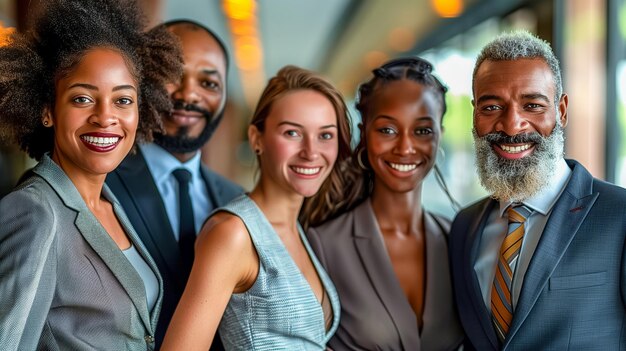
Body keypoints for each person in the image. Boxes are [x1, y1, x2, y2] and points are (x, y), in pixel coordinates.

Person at [0, 0, 182, 349]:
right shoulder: (34, 212)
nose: (105, 117)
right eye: (82, 99)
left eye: (123, 100)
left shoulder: (111, 205)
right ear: (47, 110)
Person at [449, 30, 626, 350]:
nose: (512, 125)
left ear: (561, 111)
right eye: (491, 107)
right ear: (474, 113)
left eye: (532, 105)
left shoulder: (620, 216)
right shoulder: (464, 226)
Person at [161, 65, 352, 350]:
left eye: (325, 135)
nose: (311, 152)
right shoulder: (233, 233)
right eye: (292, 133)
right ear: (256, 138)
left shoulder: (296, 228)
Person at [306, 57, 464, 351]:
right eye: (387, 130)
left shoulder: (458, 239)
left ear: (440, 134)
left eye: (422, 130)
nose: (405, 147)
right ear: (364, 132)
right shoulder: (324, 246)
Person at [105, 19, 243, 348]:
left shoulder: (236, 200)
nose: (188, 95)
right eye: (173, 75)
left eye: (209, 84)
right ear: (139, 81)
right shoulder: (97, 183)